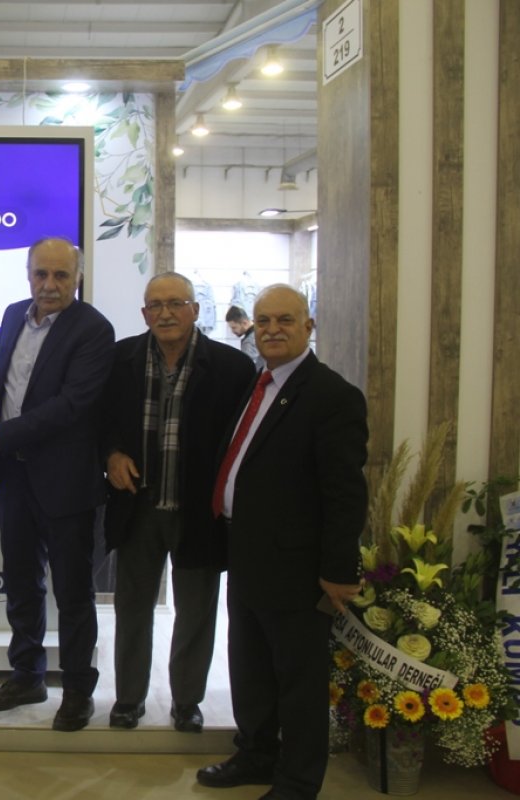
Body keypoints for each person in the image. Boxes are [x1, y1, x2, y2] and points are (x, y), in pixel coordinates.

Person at [197, 284, 367, 800]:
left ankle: (297, 782)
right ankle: (256, 755)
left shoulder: (332, 396)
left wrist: (339, 570)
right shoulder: (260, 384)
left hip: (296, 565)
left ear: (308, 327)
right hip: (246, 552)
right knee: (250, 668)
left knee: (298, 680)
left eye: (285, 320)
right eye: (264, 320)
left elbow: (345, 493)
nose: (272, 329)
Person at [0, 237, 114, 732]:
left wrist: (0, 436)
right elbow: (6, 369)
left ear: (77, 278)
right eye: (40, 274)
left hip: (65, 481)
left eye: (60, 275)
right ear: (28, 274)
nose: (49, 285)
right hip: (14, 475)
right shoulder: (12, 315)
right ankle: (26, 675)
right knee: (21, 583)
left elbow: (71, 405)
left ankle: (78, 691)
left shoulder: (93, 329)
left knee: (73, 593)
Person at [103, 274, 255, 733]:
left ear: (195, 310)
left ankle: (187, 701)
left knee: (196, 612)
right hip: (138, 507)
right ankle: (129, 698)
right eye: (155, 305)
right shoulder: (120, 359)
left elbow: (243, 441)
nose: (165, 313)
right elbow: (99, 421)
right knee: (132, 608)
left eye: (175, 303)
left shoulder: (232, 367)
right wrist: (110, 454)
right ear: (144, 313)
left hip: (198, 512)